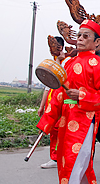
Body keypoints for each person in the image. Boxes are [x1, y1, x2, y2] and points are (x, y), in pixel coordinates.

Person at [36, 20, 100, 184]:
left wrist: (82, 95)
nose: (80, 38)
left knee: (77, 160)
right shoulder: (69, 63)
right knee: (66, 159)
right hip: (66, 118)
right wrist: (47, 122)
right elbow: (58, 94)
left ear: (97, 42)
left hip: (85, 120)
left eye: (85, 36)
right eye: (79, 35)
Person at [37, 36, 66, 169]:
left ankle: (59, 157)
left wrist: (59, 62)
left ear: (60, 47)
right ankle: (54, 157)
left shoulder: (68, 61)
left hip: (62, 101)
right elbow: (47, 86)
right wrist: (42, 105)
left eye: (54, 47)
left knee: (59, 129)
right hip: (51, 100)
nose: (51, 50)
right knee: (53, 130)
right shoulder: (51, 62)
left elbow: (61, 81)